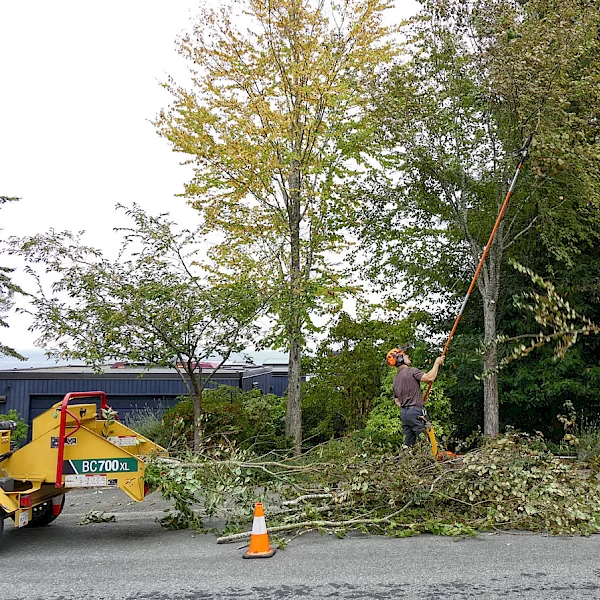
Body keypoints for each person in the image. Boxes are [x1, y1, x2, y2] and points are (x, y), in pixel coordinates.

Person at [391, 347, 445, 447]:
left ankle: (405, 460)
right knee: (426, 441)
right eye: (405, 355)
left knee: (408, 444)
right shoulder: (411, 371)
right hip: (415, 412)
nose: (408, 356)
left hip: (404, 414)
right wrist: (437, 363)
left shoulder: (396, 379)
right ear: (400, 359)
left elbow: (397, 401)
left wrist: (407, 406)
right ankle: (431, 460)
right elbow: (430, 378)